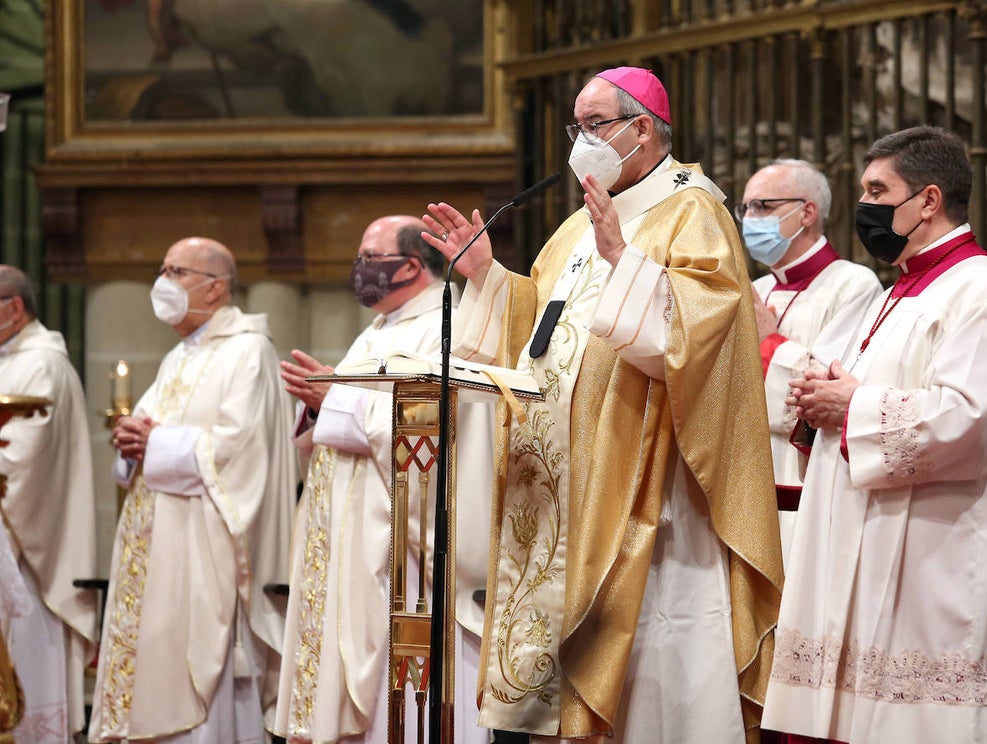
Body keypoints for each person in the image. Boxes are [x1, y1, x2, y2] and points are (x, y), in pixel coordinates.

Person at [423, 66, 783, 743]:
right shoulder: (573, 228)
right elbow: (544, 327)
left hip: (645, 486)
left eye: (594, 125)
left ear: (642, 128)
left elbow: (703, 337)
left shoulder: (692, 208)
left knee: (649, 666)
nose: (580, 141)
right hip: (562, 482)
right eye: (577, 127)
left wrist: (626, 260)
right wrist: (489, 280)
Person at [760, 126, 987, 743]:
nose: (867, 205)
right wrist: (824, 400)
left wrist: (854, 403)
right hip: (881, 529)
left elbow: (965, 423)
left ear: (927, 200)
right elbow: (875, 393)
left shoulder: (982, 292)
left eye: (877, 189)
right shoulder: (899, 291)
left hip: (941, 547)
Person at [273, 216, 493, 744]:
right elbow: (351, 415)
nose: (359, 271)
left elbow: (437, 431)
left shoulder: (448, 323)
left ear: (412, 266)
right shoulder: (379, 331)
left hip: (407, 563)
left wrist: (334, 400)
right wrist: (315, 408)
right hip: (351, 550)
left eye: (369, 258)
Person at [90, 237, 294, 743]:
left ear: (216, 287)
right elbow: (151, 430)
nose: (164, 282)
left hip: (206, 550)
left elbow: (241, 450)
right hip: (159, 545)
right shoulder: (179, 356)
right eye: (163, 269)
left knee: (197, 675)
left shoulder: (248, 351)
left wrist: (155, 441)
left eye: (177, 271)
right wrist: (133, 439)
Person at [739, 160, 882, 563]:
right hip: (747, 467)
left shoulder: (854, 285)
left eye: (763, 206)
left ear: (807, 212)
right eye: (746, 208)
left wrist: (768, 339)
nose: (750, 219)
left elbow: (823, 390)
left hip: (803, 471)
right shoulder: (757, 287)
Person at [0, 266, 98, 742]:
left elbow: (18, 460)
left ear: (14, 308)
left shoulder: (41, 363)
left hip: (27, 563)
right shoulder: (12, 358)